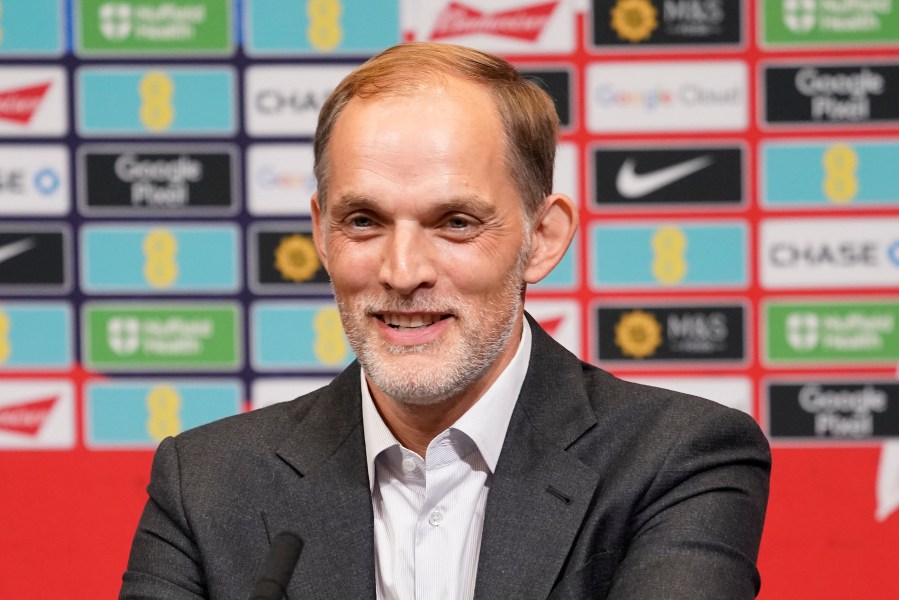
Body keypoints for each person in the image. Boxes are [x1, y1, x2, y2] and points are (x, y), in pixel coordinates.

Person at [119, 42, 770, 600]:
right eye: (364, 222)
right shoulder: (205, 481)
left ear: (542, 238)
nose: (402, 272)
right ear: (320, 233)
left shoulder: (676, 459)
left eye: (455, 223)